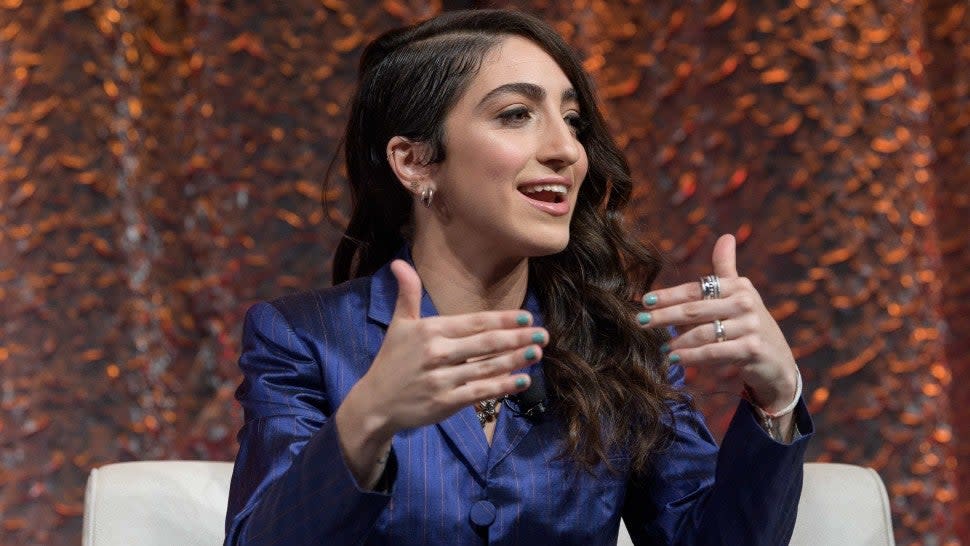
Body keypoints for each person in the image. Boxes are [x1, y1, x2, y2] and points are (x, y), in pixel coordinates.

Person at [224, 8, 812, 545]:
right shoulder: (303, 338)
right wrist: (365, 421)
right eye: (516, 114)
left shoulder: (621, 345)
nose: (566, 149)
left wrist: (777, 400)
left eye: (573, 120)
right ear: (415, 161)